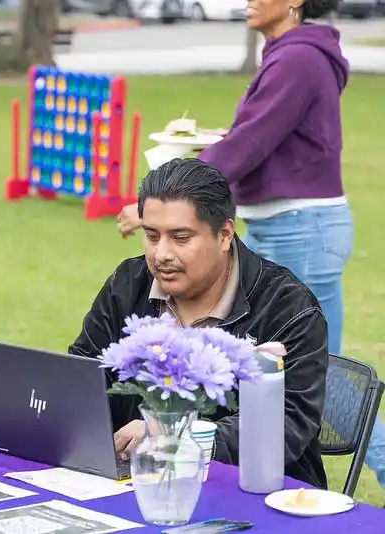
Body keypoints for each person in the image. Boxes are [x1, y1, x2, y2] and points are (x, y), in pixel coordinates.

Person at [116, 0, 385, 487]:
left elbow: (253, 141)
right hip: (286, 223)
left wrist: (157, 203)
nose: (248, 0)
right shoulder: (288, 54)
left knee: (318, 386)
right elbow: (266, 137)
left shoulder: (299, 58)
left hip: (299, 227)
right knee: (310, 383)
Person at [71, 158, 329, 488]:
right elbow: (82, 375)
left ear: (224, 234)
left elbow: (287, 425)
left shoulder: (287, 309)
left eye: (180, 238)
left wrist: (171, 437)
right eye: (151, 236)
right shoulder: (127, 284)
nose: (161, 254)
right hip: (135, 484)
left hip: (254, 495)